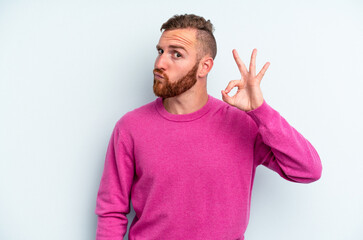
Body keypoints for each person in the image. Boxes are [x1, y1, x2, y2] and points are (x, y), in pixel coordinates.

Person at [95, 14, 322, 240]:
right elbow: (111, 212)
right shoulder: (130, 128)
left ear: (204, 67)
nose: (160, 63)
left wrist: (260, 111)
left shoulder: (243, 124)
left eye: (176, 54)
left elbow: (308, 170)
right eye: (160, 51)